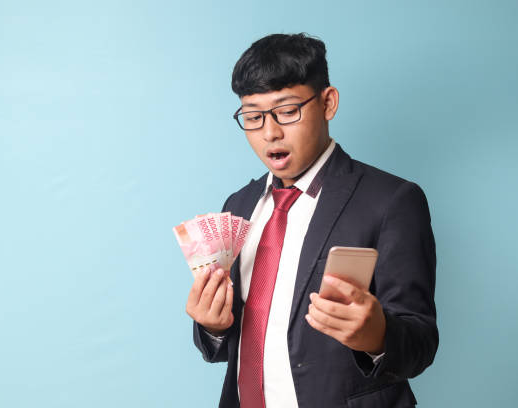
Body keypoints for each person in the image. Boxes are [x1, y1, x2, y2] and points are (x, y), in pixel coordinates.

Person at [185, 33, 438, 408]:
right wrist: (212, 326)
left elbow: (421, 342)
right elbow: (239, 346)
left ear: (328, 102)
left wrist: (377, 336)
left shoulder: (392, 201)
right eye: (253, 117)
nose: (270, 132)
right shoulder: (238, 205)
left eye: (287, 111)